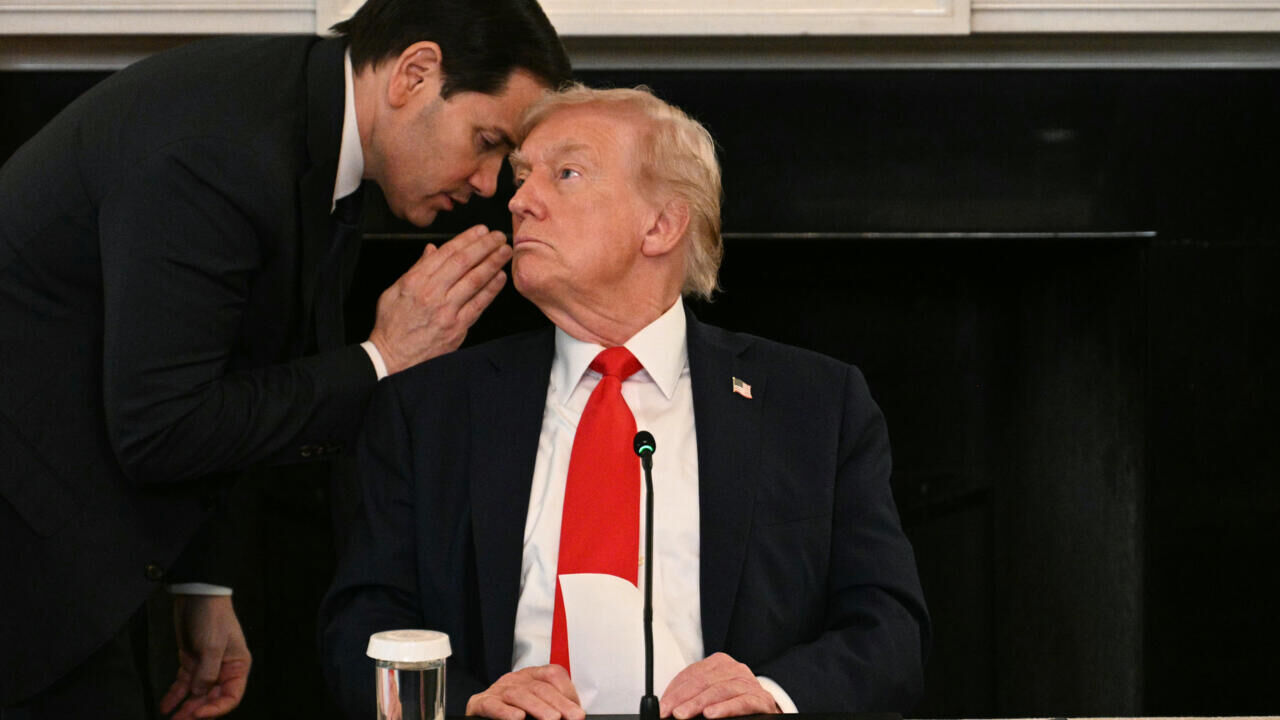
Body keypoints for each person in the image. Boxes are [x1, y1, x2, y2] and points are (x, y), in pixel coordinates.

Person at [0, 1, 570, 717]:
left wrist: (204, 583)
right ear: (415, 74)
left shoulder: (309, 120)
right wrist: (383, 357)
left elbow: (236, 366)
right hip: (29, 570)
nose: (490, 185)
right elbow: (161, 425)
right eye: (487, 141)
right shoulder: (220, 151)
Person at [320, 84, 930, 719]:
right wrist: (467, 701)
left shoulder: (814, 405)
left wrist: (771, 695)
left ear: (661, 225)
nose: (520, 201)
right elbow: (359, 628)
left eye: (566, 174)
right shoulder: (429, 409)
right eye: (523, 177)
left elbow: (890, 631)